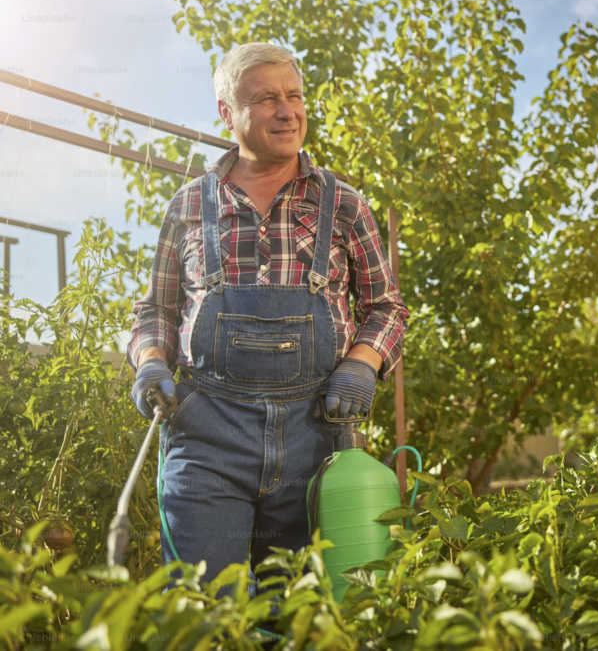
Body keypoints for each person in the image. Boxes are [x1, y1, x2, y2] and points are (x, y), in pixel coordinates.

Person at [125, 42, 409, 588]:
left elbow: (385, 308)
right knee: (206, 606)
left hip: (318, 437)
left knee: (303, 610)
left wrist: (362, 364)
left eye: (294, 96)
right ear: (227, 112)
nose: (287, 112)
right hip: (207, 435)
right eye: (266, 99)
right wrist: (151, 361)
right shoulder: (189, 205)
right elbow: (156, 309)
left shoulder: (344, 204)